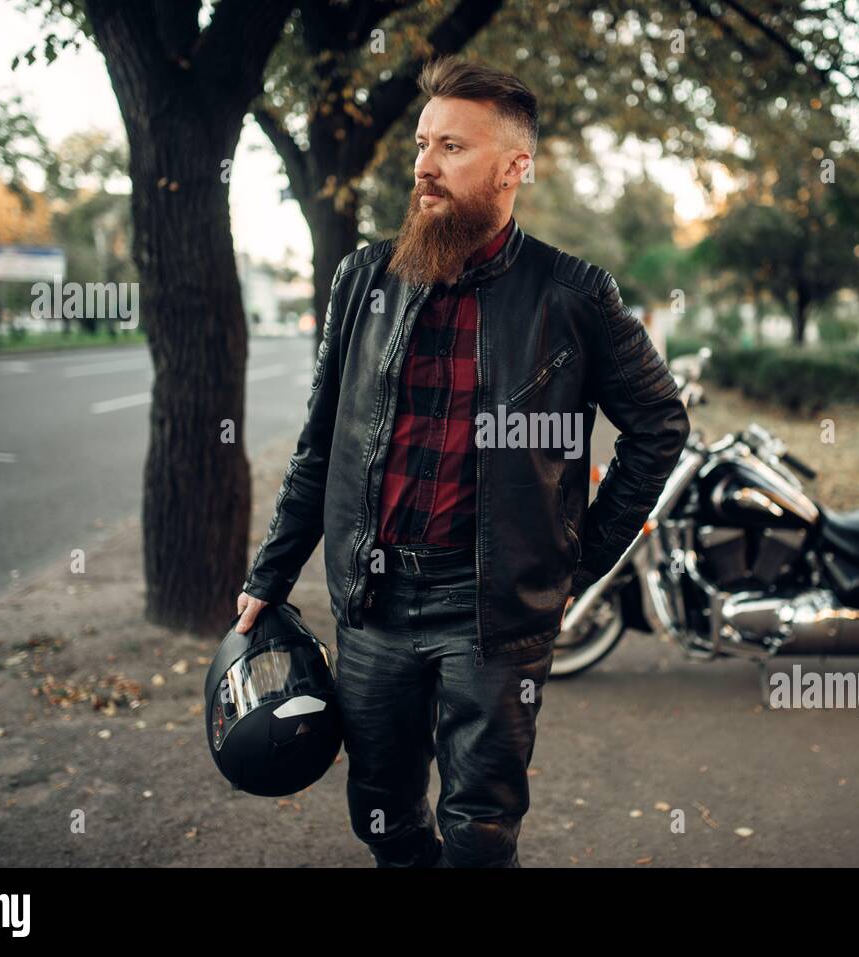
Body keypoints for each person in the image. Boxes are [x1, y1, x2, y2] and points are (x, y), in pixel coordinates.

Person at [233, 56, 690, 868]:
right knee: (382, 817)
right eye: (421, 144)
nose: (423, 166)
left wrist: (572, 563)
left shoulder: (574, 295)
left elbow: (659, 424)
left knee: (480, 833)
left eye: (451, 147)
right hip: (373, 603)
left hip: (492, 615)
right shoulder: (363, 280)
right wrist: (267, 577)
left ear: (515, 167)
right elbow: (319, 443)